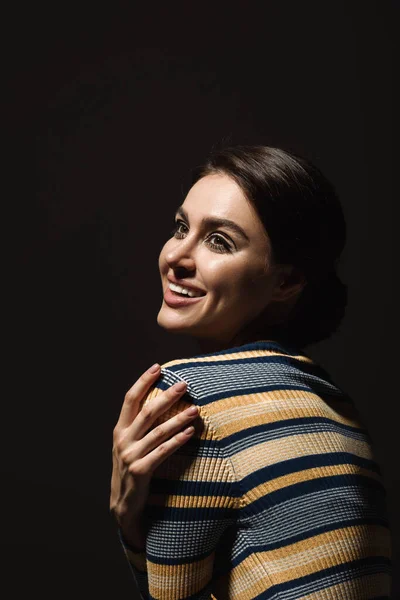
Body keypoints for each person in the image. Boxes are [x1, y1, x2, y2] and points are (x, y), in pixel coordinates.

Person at [110, 145, 392, 599]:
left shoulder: (191, 399)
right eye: (181, 228)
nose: (176, 257)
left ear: (285, 282)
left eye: (219, 241)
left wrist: (127, 515)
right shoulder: (334, 403)